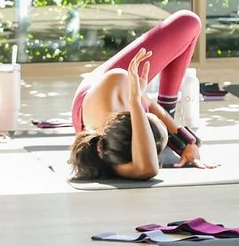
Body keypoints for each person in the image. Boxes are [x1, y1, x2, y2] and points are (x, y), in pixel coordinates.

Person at [68, 10, 209, 181]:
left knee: (188, 22)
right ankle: (163, 109)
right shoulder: (121, 160)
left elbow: (149, 105)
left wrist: (136, 99)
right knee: (191, 23)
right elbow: (149, 167)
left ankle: (160, 109)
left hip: (97, 93)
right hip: (117, 118)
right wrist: (185, 143)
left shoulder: (115, 82)